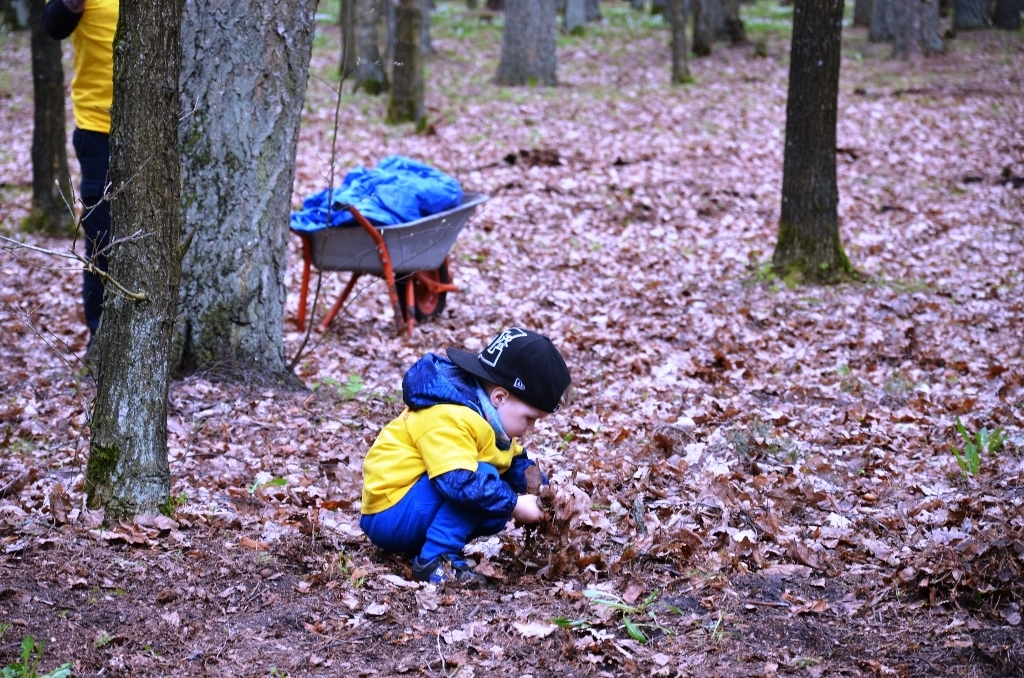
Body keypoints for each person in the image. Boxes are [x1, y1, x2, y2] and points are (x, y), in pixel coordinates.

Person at [360, 327, 572, 585]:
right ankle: (434, 560)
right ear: (500, 397)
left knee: (494, 490)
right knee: (483, 479)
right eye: (530, 418)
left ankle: (434, 546)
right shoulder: (448, 414)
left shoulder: (486, 416)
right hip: (389, 513)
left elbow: (515, 462)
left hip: (410, 506)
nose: (531, 428)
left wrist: (543, 491)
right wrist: (515, 505)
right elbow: (457, 481)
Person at [42, 0, 117, 348]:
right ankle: (100, 337)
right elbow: (54, 25)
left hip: (161, 124)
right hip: (97, 128)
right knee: (101, 234)